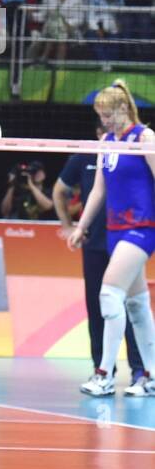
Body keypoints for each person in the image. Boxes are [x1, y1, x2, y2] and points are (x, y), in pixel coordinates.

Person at [69, 81, 155, 397]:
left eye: (107, 114)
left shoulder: (145, 138)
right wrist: (81, 226)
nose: (104, 120)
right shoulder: (106, 141)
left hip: (142, 228)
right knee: (136, 304)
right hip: (114, 230)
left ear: (122, 108)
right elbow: (98, 190)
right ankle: (150, 375)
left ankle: (104, 374)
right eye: (100, 115)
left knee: (108, 295)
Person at [55, 127, 148, 395]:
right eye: (105, 124)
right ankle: (103, 371)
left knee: (130, 305)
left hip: (130, 238)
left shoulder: (139, 147)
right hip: (95, 243)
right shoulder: (90, 155)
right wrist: (70, 226)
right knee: (99, 307)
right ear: (98, 132)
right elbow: (61, 190)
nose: (110, 130)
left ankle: (141, 372)